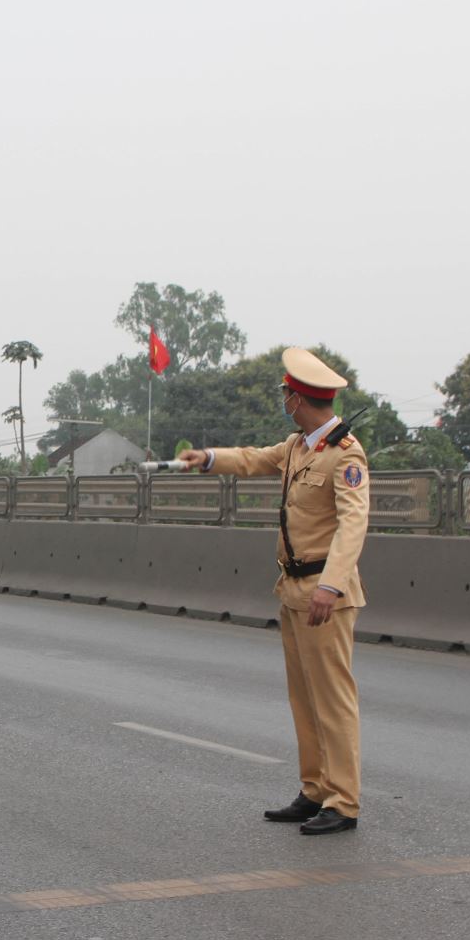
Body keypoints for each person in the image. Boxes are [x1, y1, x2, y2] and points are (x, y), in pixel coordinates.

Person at [176, 348, 370, 836]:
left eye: (286, 392)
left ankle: (343, 802)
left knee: (333, 700)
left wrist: (332, 584)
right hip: (293, 589)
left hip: (326, 592)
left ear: (297, 399)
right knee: (304, 700)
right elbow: (252, 459)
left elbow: (353, 524)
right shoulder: (298, 447)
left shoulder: (346, 454)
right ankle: (314, 791)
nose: (283, 399)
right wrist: (209, 459)